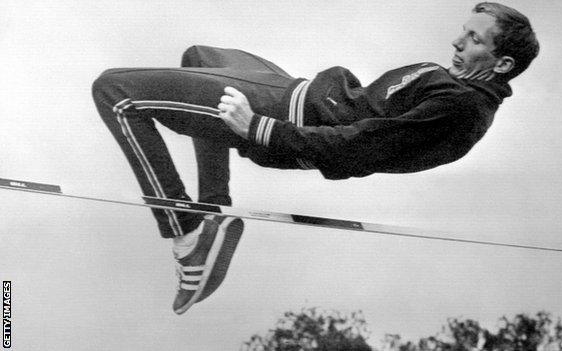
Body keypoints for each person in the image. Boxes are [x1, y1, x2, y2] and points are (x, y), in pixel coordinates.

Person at [91, 2, 539, 314]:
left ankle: (185, 234)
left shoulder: (461, 110)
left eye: (474, 39)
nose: (458, 42)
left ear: (501, 64)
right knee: (199, 57)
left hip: (283, 113)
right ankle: (213, 214)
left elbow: (358, 148)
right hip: (299, 92)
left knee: (114, 91)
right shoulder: (458, 90)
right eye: (464, 32)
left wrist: (259, 129)